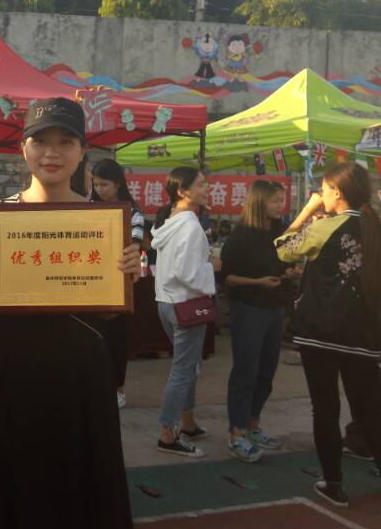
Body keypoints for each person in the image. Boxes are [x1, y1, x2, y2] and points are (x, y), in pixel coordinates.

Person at [0, 98, 142, 529]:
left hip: (78, 376)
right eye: (40, 141)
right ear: (23, 149)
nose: (52, 152)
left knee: (78, 491)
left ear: (82, 152)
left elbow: (107, 312)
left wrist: (126, 280)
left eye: (65, 141)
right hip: (7, 374)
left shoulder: (105, 222)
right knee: (4, 490)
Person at [276, 163, 381, 507]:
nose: (320, 195)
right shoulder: (375, 227)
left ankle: (333, 484)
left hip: (320, 333)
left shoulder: (325, 226)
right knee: (369, 410)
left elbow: (283, 248)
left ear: (336, 191)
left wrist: (307, 211)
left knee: (325, 409)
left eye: (322, 189)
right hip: (365, 335)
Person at [221, 180, 292, 463]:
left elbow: (285, 262)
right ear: (259, 201)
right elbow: (227, 278)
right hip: (249, 309)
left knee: (266, 372)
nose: (280, 206)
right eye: (274, 200)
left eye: (281, 200)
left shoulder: (279, 231)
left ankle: (253, 425)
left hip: (276, 309)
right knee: (245, 372)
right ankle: (236, 434)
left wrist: (291, 273)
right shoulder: (241, 236)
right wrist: (258, 283)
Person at [152, 166, 219, 458]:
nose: (207, 189)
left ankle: (188, 423)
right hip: (186, 305)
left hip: (166, 302)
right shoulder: (190, 226)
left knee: (188, 367)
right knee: (183, 370)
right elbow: (188, 272)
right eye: (201, 184)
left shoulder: (170, 221)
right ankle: (168, 433)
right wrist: (212, 267)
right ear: (182, 191)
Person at [91, 157, 145, 408]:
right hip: (90, 280)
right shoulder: (87, 208)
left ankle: (118, 388)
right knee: (93, 337)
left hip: (118, 280)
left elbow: (135, 243)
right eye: (96, 184)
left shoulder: (132, 212)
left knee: (116, 337)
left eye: (105, 185)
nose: (100, 189)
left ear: (118, 184)